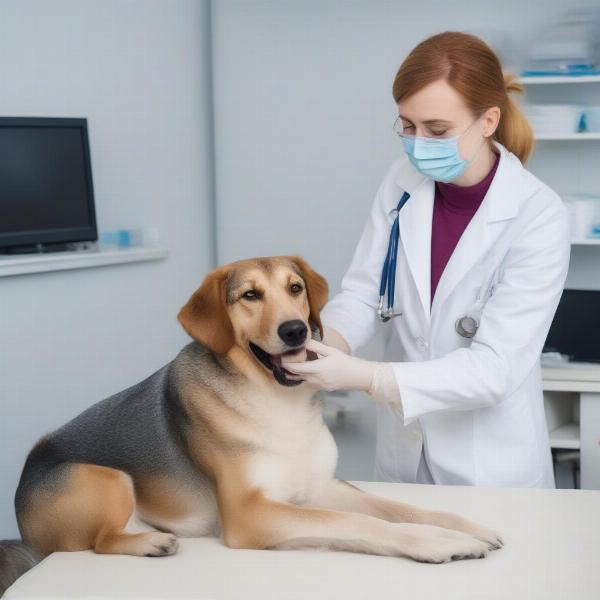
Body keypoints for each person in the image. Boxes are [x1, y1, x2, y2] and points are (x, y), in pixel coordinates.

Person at [282, 31, 571, 488]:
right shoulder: (402, 181)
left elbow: (494, 370)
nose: (418, 144)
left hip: (489, 466)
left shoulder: (538, 215)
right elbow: (364, 292)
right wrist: (327, 344)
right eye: (407, 126)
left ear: (489, 120)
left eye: (436, 130)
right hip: (405, 457)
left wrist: (366, 377)